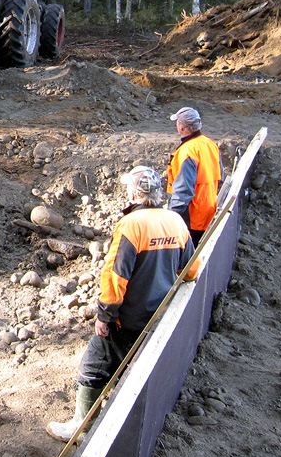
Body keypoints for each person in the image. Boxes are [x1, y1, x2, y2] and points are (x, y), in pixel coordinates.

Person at [47, 166, 199, 442]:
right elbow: (191, 270)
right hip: (157, 316)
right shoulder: (176, 222)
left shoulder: (132, 225)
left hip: (128, 319)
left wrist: (105, 315)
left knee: (93, 366)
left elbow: (116, 277)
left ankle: (83, 427)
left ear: (134, 193)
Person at [165, 106, 222, 244]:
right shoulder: (210, 144)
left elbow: (183, 190)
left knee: (187, 260)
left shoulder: (187, 151)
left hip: (191, 217)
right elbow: (221, 178)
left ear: (182, 128)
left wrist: (172, 218)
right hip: (208, 211)